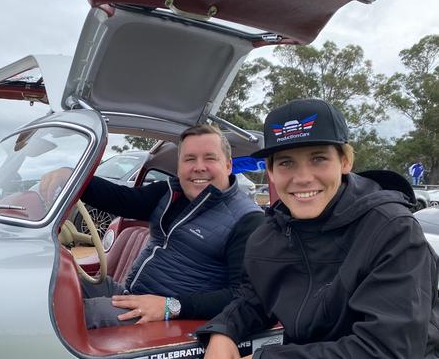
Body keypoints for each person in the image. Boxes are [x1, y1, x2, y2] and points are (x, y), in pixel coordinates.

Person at [196, 99, 439, 358]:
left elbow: (389, 349)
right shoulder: (267, 236)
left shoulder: (392, 230)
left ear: (345, 161)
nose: (302, 178)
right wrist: (224, 330)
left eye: (318, 158)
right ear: (271, 170)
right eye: (286, 163)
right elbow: (253, 299)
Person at [41, 124, 264, 329]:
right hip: (131, 294)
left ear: (228, 165)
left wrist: (171, 306)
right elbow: (122, 199)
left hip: (171, 316)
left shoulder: (247, 219)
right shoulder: (170, 192)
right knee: (54, 282)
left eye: (209, 158)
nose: (198, 167)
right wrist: (74, 177)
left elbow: (243, 296)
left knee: (71, 315)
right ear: (179, 166)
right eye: (189, 159)